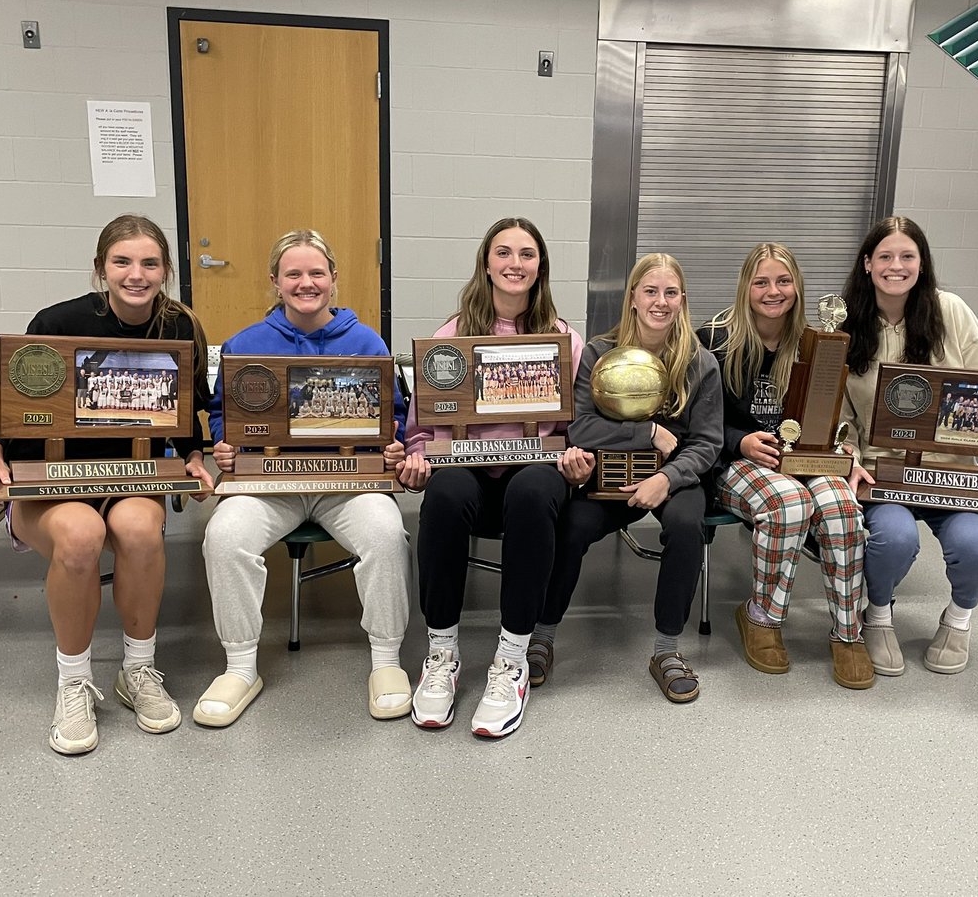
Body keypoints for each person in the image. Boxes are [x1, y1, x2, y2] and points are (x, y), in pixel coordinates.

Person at [0, 214, 214, 755]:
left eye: (150, 263)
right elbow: (1, 405)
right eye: (122, 261)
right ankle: (74, 680)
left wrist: (194, 458)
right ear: (101, 268)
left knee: (138, 528)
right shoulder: (58, 322)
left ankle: (138, 669)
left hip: (133, 474)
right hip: (49, 477)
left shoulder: (180, 327)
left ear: (166, 270)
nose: (136, 274)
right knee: (80, 535)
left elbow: (188, 410)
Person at [195, 230, 412, 726]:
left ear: (334, 281)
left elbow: (391, 415)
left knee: (385, 534)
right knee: (224, 536)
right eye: (293, 273)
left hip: (348, 483)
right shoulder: (246, 344)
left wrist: (394, 441)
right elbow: (222, 411)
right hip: (272, 483)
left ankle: (386, 660)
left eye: (317, 273)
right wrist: (225, 442)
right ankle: (240, 667)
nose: (306, 283)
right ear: (275, 281)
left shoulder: (366, 342)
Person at [398, 217, 591, 738]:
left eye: (526, 255)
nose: (514, 264)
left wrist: (578, 458)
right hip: (469, 469)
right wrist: (417, 458)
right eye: (503, 253)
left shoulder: (565, 341)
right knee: (444, 494)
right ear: (486, 263)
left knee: (533, 491)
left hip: (535, 472)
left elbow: (581, 425)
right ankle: (442, 654)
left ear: (540, 267)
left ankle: (511, 660)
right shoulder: (451, 336)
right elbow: (420, 427)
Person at [840, 216, 978, 675]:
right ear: (866, 264)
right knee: (892, 541)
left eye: (907, 256)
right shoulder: (845, 320)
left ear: (922, 264)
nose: (896, 266)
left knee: (975, 549)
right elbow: (840, 414)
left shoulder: (950, 311)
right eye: (885, 256)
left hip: (952, 475)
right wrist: (850, 460)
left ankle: (959, 620)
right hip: (884, 474)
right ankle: (877, 616)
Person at [532, 253, 723, 703]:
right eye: (651, 291)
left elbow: (708, 443)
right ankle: (542, 635)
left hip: (671, 479)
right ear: (633, 297)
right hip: (609, 475)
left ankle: (667, 651)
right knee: (573, 525)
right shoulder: (600, 353)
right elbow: (580, 428)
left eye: (670, 293)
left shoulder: (700, 362)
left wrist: (669, 478)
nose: (661, 302)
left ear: (682, 300)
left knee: (685, 524)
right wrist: (646, 431)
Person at [698, 243, 874, 689]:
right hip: (733, 462)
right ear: (745, 287)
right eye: (762, 282)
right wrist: (741, 441)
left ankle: (848, 632)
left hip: (803, 458)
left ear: (797, 286)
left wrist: (842, 449)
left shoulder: (819, 343)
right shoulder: (713, 341)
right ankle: (762, 616)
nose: (773, 291)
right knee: (789, 503)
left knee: (841, 509)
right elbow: (694, 422)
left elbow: (837, 415)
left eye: (783, 281)